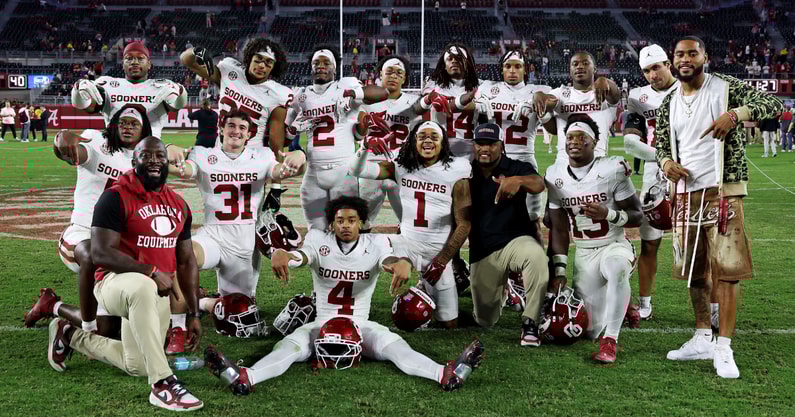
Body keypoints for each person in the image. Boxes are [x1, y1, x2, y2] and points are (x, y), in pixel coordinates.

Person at [202, 196, 485, 395]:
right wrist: (285, 255)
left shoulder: (376, 242)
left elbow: (388, 259)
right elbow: (303, 256)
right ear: (332, 224)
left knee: (397, 349)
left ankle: (444, 374)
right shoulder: (317, 239)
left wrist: (401, 262)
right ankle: (244, 377)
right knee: (288, 347)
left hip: (360, 324)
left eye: (352, 220)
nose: (346, 225)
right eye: (340, 221)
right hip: (322, 322)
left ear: (361, 222)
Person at [656, 36, 783, 379]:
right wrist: (666, 163)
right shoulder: (668, 101)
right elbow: (662, 146)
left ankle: (723, 347)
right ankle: (701, 337)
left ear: (704, 57)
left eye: (691, 53)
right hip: (685, 194)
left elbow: (772, 104)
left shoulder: (725, 87)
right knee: (694, 273)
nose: (685, 59)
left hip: (722, 192)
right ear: (673, 60)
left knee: (727, 271)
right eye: (679, 54)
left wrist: (734, 114)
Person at [46, 136, 204, 412]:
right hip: (113, 283)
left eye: (160, 156)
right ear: (134, 161)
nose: (154, 161)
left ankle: (68, 334)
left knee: (139, 364)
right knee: (142, 286)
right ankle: (163, 384)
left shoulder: (179, 204)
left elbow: (187, 261)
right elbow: (100, 254)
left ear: (168, 164)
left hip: (156, 291)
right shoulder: (114, 197)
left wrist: (192, 314)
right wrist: (151, 270)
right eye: (147, 156)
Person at [166, 110, 306, 322]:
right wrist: (167, 149)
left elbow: (283, 171)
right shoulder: (203, 155)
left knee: (239, 312)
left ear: (249, 135)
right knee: (181, 255)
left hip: (244, 243)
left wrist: (300, 156)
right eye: (231, 126)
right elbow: (180, 170)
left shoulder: (262, 156)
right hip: (211, 235)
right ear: (221, 129)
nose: (236, 131)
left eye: (242, 128)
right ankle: (177, 327)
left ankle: (205, 302)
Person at [24, 106, 153, 337]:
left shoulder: (144, 161)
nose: (127, 127)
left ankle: (51, 305)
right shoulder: (98, 142)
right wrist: (62, 140)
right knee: (96, 254)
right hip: (81, 234)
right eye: (123, 122)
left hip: (117, 244)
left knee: (110, 330)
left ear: (144, 129)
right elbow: (74, 151)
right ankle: (86, 330)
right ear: (114, 125)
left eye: (134, 124)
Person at [349, 121, 471, 328]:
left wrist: (442, 261)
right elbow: (356, 170)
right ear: (413, 141)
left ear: (443, 144)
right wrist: (364, 147)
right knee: (367, 248)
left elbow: (465, 224)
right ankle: (348, 304)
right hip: (407, 243)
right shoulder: (401, 166)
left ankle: (425, 288)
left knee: (449, 323)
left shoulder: (457, 170)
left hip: (437, 252)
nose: (428, 141)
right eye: (422, 136)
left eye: (434, 136)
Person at [546, 114, 643, 363]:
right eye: (570, 137)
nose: (574, 142)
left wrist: (609, 214)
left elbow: (637, 216)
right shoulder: (554, 175)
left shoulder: (612, 168)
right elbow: (558, 228)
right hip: (585, 253)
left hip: (613, 245)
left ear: (595, 142)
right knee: (587, 330)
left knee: (617, 269)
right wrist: (559, 270)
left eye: (582, 137)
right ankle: (626, 302)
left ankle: (610, 341)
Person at [287, 45, 389, 230]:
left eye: (326, 62)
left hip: (344, 173)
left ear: (335, 67)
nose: (321, 66)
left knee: (346, 232)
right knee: (316, 232)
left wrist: (354, 94)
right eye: (316, 62)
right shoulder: (301, 96)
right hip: (313, 174)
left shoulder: (346, 85)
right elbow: (285, 133)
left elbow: (382, 93)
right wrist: (292, 132)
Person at [468, 122, 549, 345]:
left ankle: (530, 321)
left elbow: (539, 184)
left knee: (536, 257)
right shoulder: (464, 170)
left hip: (515, 241)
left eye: (491, 144)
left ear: (501, 145)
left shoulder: (515, 167)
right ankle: (506, 290)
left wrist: (519, 181)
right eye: (480, 143)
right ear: (473, 145)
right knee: (485, 319)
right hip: (482, 249)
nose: (484, 148)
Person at [623, 44, 680, 319]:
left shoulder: (688, 88)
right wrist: (663, 159)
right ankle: (645, 302)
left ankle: (712, 308)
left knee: (699, 243)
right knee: (650, 241)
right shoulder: (638, 97)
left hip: (690, 172)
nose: (651, 74)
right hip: (654, 175)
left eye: (656, 67)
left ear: (668, 64)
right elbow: (630, 143)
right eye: (646, 70)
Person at [355, 55, 421, 229]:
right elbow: (358, 135)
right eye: (389, 72)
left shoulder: (414, 103)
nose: (394, 76)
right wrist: (364, 124)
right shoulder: (366, 100)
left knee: (409, 221)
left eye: (399, 73)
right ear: (380, 75)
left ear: (405, 78)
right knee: (362, 222)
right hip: (370, 165)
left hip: (402, 166)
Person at [71, 41, 187, 138]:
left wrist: (181, 92)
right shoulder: (107, 84)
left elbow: (177, 106)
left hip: (150, 152)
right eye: (129, 58)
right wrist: (77, 91)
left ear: (149, 64)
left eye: (140, 58)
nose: (134, 62)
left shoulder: (162, 86)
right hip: (114, 154)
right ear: (122, 64)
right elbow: (86, 106)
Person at [537, 51, 621, 162]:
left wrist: (605, 81)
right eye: (575, 64)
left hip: (597, 165)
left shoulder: (605, 93)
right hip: (564, 164)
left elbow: (615, 95)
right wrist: (539, 96)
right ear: (570, 70)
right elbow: (554, 128)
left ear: (595, 69)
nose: (580, 67)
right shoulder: (560, 93)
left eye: (585, 63)